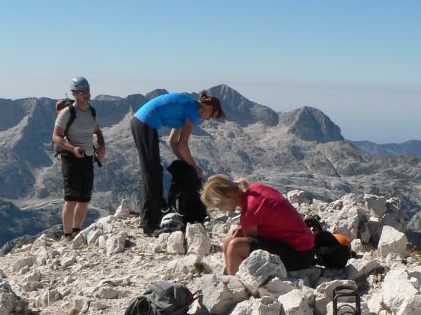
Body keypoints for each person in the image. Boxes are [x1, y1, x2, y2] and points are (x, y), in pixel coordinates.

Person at [131, 91, 224, 234]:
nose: (208, 119)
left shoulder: (187, 108)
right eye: (211, 115)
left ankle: (156, 216)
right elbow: (182, 145)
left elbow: (173, 142)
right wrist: (194, 167)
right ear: (209, 107)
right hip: (145, 123)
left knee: (155, 171)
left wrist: (187, 163)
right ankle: (149, 224)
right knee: (151, 174)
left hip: (141, 122)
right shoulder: (192, 110)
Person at [201, 175, 316, 274]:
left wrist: (243, 231)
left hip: (300, 255)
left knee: (235, 246)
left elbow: (250, 242)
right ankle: (230, 276)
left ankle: (235, 288)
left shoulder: (249, 210)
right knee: (228, 241)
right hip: (305, 246)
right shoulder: (255, 188)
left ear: (229, 196)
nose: (222, 210)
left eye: (220, 205)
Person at [52, 77, 105, 237]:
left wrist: (102, 146)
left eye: (87, 91)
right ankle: (68, 236)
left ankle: (77, 233)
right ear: (74, 94)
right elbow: (56, 136)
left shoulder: (92, 111)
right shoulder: (68, 113)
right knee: (71, 198)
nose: (85, 94)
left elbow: (97, 131)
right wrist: (72, 148)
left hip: (88, 158)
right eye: (81, 92)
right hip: (71, 159)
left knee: (84, 199)